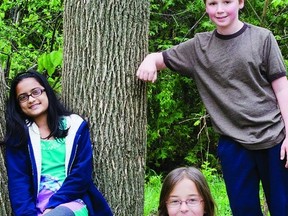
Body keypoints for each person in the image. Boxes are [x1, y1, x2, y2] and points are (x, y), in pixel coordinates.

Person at [137, 0, 288, 215]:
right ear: (205, 7)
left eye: (227, 2)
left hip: (274, 139)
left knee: (283, 206)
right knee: (243, 210)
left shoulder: (263, 38)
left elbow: (282, 89)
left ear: (241, 3)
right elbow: (160, 58)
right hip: (233, 143)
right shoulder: (199, 47)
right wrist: (149, 61)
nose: (219, 9)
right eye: (212, 3)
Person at [3, 70, 113, 216]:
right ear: (18, 105)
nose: (30, 99)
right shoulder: (19, 137)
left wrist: (54, 205)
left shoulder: (74, 126)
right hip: (35, 209)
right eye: (23, 97)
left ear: (46, 92)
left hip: (71, 203)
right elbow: (19, 183)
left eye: (36, 92)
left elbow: (81, 174)